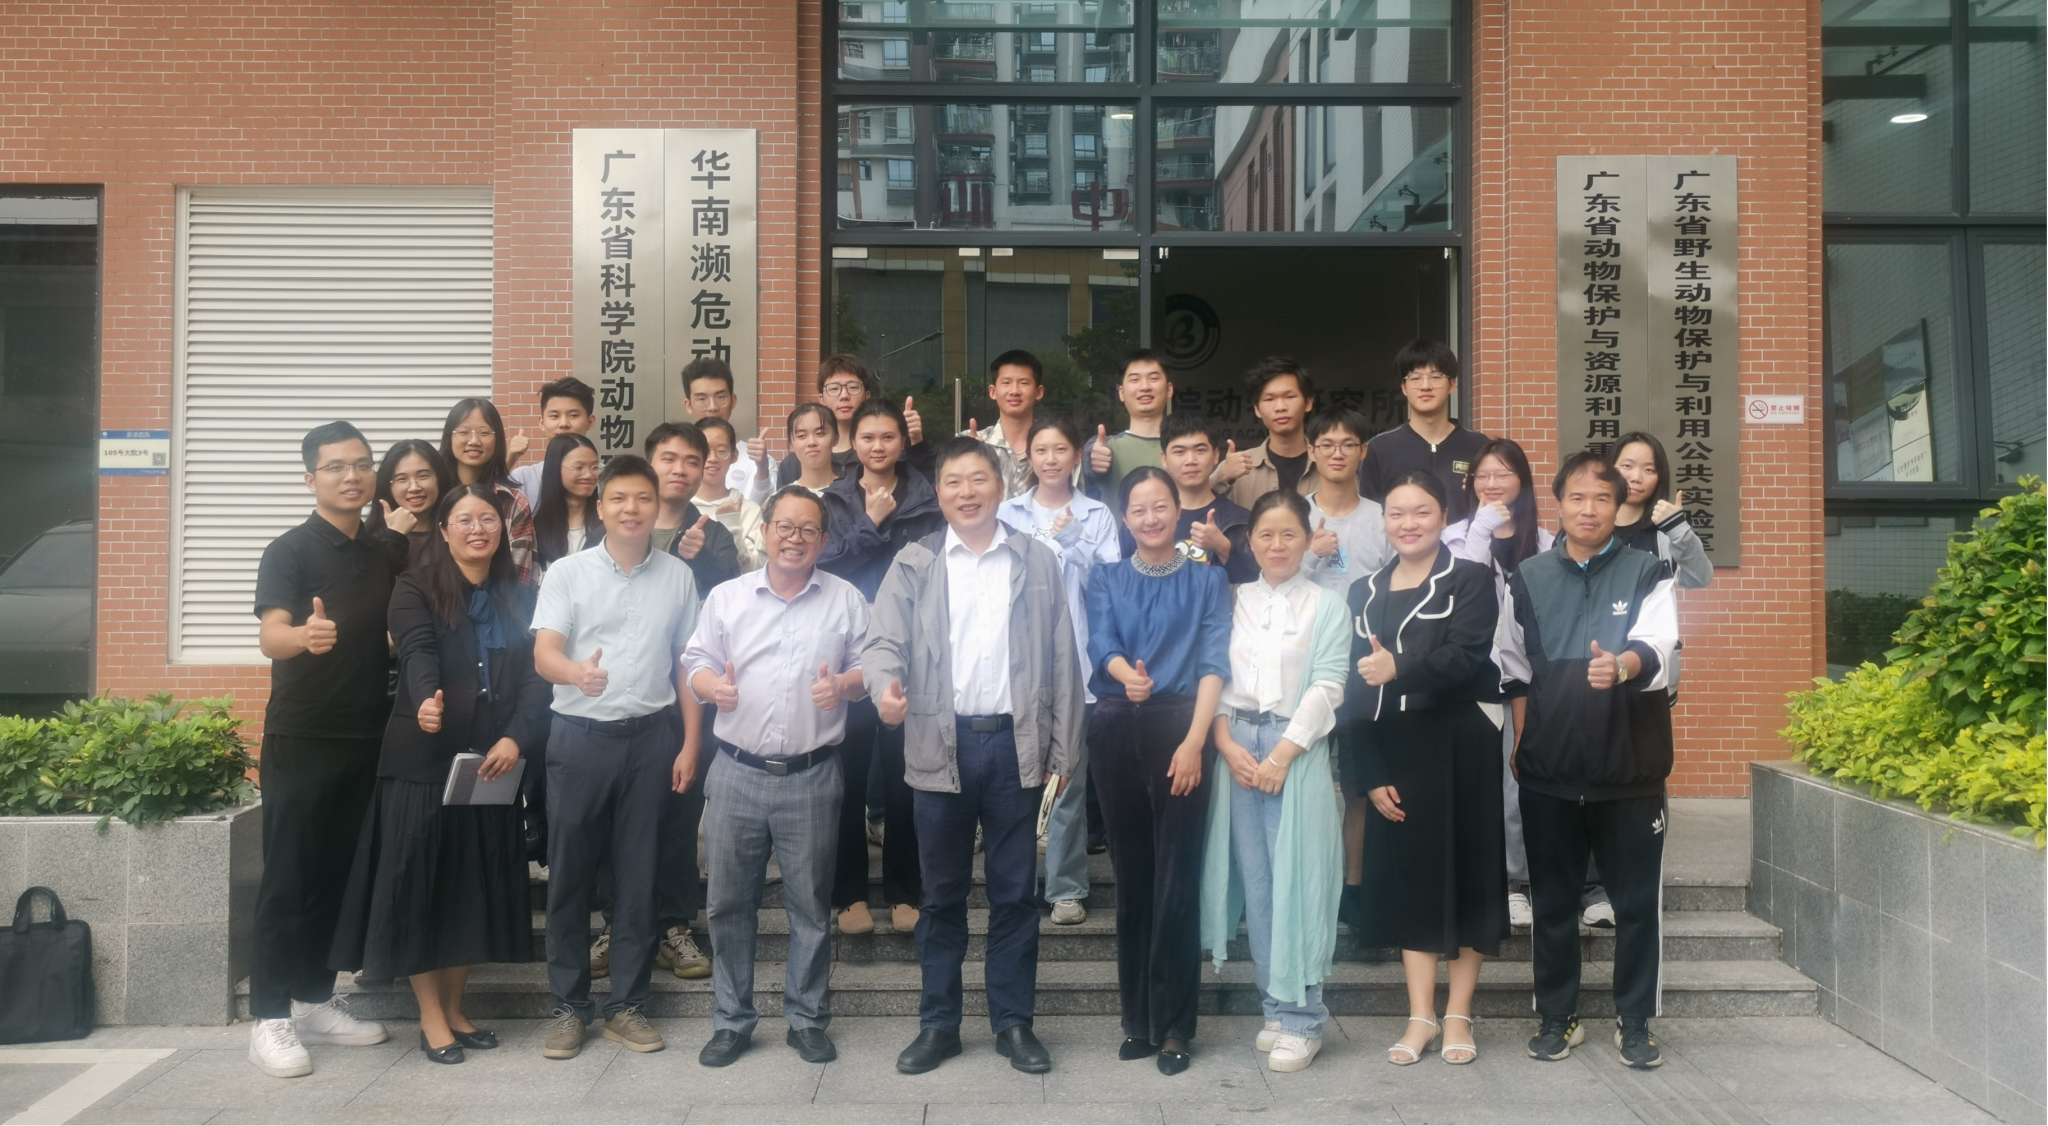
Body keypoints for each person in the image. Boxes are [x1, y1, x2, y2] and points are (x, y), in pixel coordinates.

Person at [864, 437, 1085, 1076]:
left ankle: (1014, 1023)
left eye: (978, 479)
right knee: (940, 897)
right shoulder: (916, 562)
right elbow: (881, 643)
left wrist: (1065, 748)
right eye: (954, 482)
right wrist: (885, 689)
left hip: (1018, 745)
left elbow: (1064, 656)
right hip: (940, 743)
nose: (967, 492)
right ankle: (939, 1025)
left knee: (1015, 895)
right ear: (939, 493)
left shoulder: (1036, 560)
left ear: (1001, 486)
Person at [329, 485, 548, 1064]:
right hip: (423, 762)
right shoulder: (415, 586)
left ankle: (455, 1008)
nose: (478, 529)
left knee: (470, 891)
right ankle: (431, 1016)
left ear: (502, 531)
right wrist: (427, 698)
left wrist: (516, 737)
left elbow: (535, 678)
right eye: (464, 520)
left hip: (491, 762)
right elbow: (417, 650)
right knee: (422, 889)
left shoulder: (519, 594)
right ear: (444, 531)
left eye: (488, 519)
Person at [1496, 453, 1679, 1070]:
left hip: (1630, 769)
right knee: (1552, 905)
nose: (1589, 509)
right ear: (1559, 503)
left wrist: (1622, 665)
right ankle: (1558, 1017)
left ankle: (1636, 1021)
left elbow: (1661, 647)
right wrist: (1525, 742)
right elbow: (1513, 669)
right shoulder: (1526, 577)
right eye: (1577, 497)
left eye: (1602, 498)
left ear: (1618, 505)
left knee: (1635, 907)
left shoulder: (1648, 571)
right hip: (1548, 773)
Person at [684, 485, 870, 1068]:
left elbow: (873, 665)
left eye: (808, 529)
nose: (795, 538)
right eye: (784, 527)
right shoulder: (728, 597)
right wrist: (712, 688)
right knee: (727, 904)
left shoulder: (845, 599)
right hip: (735, 772)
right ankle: (731, 1020)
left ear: (824, 539)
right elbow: (695, 661)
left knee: (810, 906)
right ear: (763, 532)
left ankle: (807, 1018)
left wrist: (844, 685)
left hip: (812, 775)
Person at [529, 455, 703, 1061]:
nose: (632, 509)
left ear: (658, 508)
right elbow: (544, 654)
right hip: (579, 739)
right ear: (600, 507)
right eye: (620, 498)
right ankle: (568, 1008)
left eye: (643, 498)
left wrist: (690, 743)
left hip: (652, 740)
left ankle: (626, 1007)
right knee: (570, 876)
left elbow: (686, 665)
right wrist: (576, 673)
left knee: (638, 876)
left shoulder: (678, 576)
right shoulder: (568, 573)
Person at [246, 421, 397, 1079]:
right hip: (304, 735)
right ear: (311, 478)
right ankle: (269, 1016)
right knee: (289, 879)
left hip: (367, 735)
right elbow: (270, 635)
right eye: (336, 466)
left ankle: (313, 999)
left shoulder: (383, 551)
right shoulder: (289, 550)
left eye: (361, 464)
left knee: (338, 876)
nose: (351, 476)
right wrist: (303, 638)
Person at [1348, 470, 1507, 1067]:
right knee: (1412, 878)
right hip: (1396, 747)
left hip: (1461, 740)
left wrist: (1401, 667)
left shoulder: (1470, 578)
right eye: (1396, 513)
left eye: (1421, 512)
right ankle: (1420, 1015)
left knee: (1467, 874)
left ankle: (1459, 1013)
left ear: (1444, 517)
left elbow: (1466, 656)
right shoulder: (1363, 591)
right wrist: (1368, 770)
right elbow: (1351, 682)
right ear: (1384, 521)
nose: (1408, 523)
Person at [1087, 466, 1231, 1075]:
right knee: (1133, 876)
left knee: (1176, 879)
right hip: (1116, 724)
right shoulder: (1106, 576)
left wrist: (1196, 742)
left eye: (1160, 506)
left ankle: (1175, 1027)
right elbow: (1102, 644)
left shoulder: (1208, 578)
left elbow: (1213, 663)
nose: (1150, 518)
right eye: (1139, 509)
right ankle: (1137, 1022)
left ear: (1178, 510)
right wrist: (1128, 677)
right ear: (1125, 518)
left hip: (1181, 727)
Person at [1199, 491, 1349, 1074]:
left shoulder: (1327, 605)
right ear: (1249, 541)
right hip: (1237, 745)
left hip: (1297, 747)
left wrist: (1283, 755)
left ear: (1307, 539)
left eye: (1290, 534)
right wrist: (1224, 742)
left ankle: (1304, 1019)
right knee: (1259, 887)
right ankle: (1275, 1008)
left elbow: (1329, 685)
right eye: (1266, 534)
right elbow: (1213, 674)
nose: (1277, 545)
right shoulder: (1233, 598)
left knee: (1299, 884)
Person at [818, 398, 939, 935]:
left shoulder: (928, 498)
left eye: (888, 437)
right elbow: (821, 562)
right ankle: (848, 895)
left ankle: (904, 892)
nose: (878, 446)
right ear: (854, 442)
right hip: (846, 651)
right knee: (845, 779)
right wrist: (870, 523)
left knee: (904, 779)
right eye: (868, 437)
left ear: (903, 442)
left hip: (911, 652)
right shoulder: (834, 499)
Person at [997, 416, 1120, 926]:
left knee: (1068, 782)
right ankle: (1015, 885)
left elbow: (1111, 586)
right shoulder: (1007, 512)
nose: (1051, 459)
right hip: (1017, 667)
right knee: (1016, 784)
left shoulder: (1098, 514)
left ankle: (1066, 888)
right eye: (1041, 450)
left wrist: (1072, 543)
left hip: (1079, 667)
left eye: (1061, 449)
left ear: (1076, 456)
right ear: (1029, 457)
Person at [1441, 438, 1553, 932]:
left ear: (1522, 482)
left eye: (1503, 474)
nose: (1491, 483)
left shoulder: (1547, 542)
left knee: (1515, 785)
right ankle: (1470, 879)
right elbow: (1460, 592)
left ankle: (1513, 883)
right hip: (1469, 680)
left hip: (1528, 682)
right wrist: (1481, 530)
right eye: (1482, 475)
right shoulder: (1452, 538)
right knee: (1470, 784)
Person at [1295, 408, 1389, 929]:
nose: (1337, 452)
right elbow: (1275, 584)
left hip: (1364, 667)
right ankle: (1311, 886)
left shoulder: (1382, 517)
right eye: (1326, 444)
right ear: (1311, 452)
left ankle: (1354, 889)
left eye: (1347, 444)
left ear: (1363, 452)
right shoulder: (1294, 514)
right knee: (1304, 783)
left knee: (1358, 783)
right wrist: (1309, 553)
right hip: (1303, 666)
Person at [1118, 412, 1258, 585]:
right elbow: (1124, 579)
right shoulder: (1143, 521)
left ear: (1216, 456)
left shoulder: (1240, 520)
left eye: (1200, 450)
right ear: (1164, 459)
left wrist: (1223, 548)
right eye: (1179, 451)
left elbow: (1257, 583)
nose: (1191, 460)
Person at [1358, 340, 1490, 523]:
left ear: (1452, 384)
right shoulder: (1380, 449)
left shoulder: (1479, 447)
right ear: (1404, 387)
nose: (1425, 386)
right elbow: (1369, 516)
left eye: (1436, 376)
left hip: (1468, 542)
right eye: (1415, 378)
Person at [779, 354, 933, 484]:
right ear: (821, 398)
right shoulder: (796, 463)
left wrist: (917, 442)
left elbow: (926, 489)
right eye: (834, 388)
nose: (844, 396)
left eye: (853, 387)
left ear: (867, 395)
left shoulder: (885, 451)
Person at [440, 398, 537, 583]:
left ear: (497, 439)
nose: (474, 441)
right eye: (463, 432)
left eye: (484, 433)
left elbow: (520, 580)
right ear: (449, 437)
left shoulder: (512, 502)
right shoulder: (434, 495)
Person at [647, 422, 743, 593]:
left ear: (701, 473)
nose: (679, 470)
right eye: (669, 459)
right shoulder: (616, 529)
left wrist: (702, 557)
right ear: (648, 467)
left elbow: (732, 592)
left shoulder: (717, 535)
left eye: (691, 462)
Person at [1609, 432, 1713, 591]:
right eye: (1627, 466)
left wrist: (1677, 528)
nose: (1636, 477)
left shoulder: (1665, 535)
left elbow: (1699, 578)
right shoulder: (1587, 527)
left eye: (1649, 470)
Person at [1214, 357, 1320, 508]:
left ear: (1308, 403)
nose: (1280, 407)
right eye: (1269, 399)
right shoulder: (1238, 466)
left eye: (1289, 397)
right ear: (1257, 409)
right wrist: (1223, 476)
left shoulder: (1329, 462)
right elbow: (1192, 506)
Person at [1083, 349, 1173, 517]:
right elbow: (1085, 467)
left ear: (1169, 389)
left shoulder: (1185, 448)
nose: (1145, 387)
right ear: (1121, 393)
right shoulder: (1107, 446)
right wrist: (1091, 459)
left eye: (1153, 378)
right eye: (1135, 379)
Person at [683, 356, 779, 505]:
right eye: (702, 399)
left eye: (720, 397)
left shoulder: (757, 461)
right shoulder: (677, 460)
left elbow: (761, 513)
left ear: (733, 401)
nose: (712, 407)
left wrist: (762, 470)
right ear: (688, 405)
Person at [961, 348, 1048, 498]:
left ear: (1039, 392)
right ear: (992, 391)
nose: (1014, 391)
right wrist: (966, 457)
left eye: (1024, 383)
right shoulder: (968, 442)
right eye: (1006, 383)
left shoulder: (1056, 446)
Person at [365, 438, 453, 572]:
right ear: (388, 486)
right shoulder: (369, 539)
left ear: (440, 479)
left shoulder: (457, 532)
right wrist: (394, 536)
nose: (414, 488)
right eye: (402, 479)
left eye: (423, 476)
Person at [694, 416, 766, 571]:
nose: (713, 458)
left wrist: (731, 524)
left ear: (734, 456)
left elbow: (751, 571)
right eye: (704, 450)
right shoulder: (679, 507)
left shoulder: (750, 511)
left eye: (721, 451)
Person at [508, 377, 596, 503]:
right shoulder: (522, 479)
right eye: (554, 416)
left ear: (590, 422)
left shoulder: (609, 478)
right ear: (542, 423)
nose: (563, 424)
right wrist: (509, 459)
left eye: (573, 415)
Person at [531, 434, 603, 573]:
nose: (589, 475)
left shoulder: (608, 523)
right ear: (555, 469)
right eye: (578, 467)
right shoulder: (535, 528)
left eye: (594, 467)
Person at [784, 402, 841, 496]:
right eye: (801, 436)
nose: (811, 442)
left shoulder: (853, 494)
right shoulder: (782, 499)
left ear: (835, 438)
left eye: (820, 433)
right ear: (791, 444)